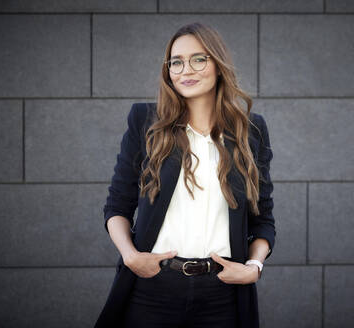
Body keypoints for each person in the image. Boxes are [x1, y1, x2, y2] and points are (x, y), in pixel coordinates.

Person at [95, 22, 276, 328]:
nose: (185, 69)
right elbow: (117, 206)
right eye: (176, 62)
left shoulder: (250, 129)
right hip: (151, 289)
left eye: (198, 59)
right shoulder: (145, 121)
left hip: (222, 293)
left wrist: (254, 266)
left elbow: (263, 219)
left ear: (218, 65)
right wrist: (131, 256)